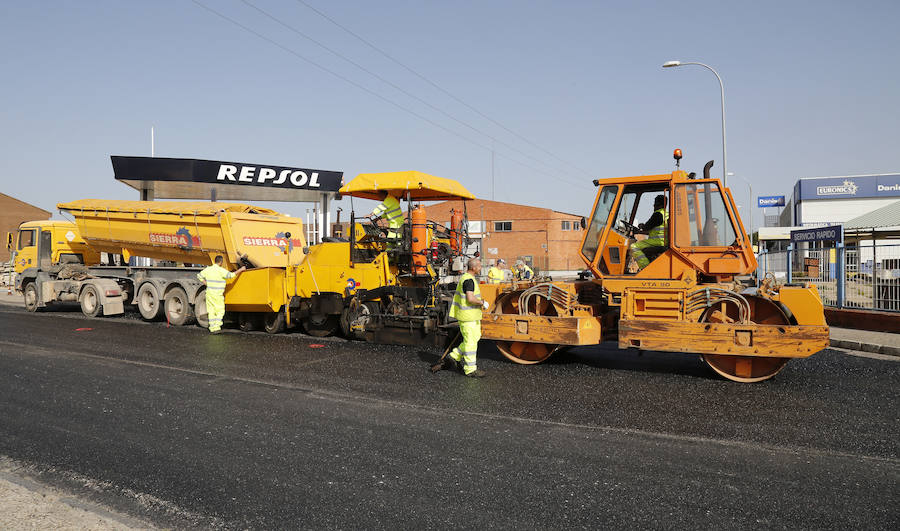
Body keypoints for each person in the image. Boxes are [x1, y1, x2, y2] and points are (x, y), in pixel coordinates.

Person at [446, 258, 489, 378]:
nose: (480, 268)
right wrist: (482, 302)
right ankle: (470, 369)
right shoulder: (468, 280)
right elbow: (470, 298)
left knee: (475, 337)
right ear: (473, 268)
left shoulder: (468, 278)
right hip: (468, 317)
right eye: (479, 266)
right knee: (471, 343)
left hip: (472, 316)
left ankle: (454, 356)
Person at [197, 255, 246, 333]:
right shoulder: (221, 270)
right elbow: (231, 275)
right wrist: (241, 269)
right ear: (221, 262)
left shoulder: (208, 269)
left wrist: (206, 283)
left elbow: (199, 276)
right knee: (220, 311)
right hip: (217, 295)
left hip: (209, 293)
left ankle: (212, 328)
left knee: (211, 311)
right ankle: (216, 327)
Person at [630, 194, 669, 271]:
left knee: (634, 246)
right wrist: (639, 232)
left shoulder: (657, 214)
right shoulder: (666, 214)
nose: (653, 206)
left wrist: (641, 225)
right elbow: (654, 230)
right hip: (664, 241)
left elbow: (646, 227)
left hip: (657, 242)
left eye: (655, 204)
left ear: (658, 204)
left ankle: (645, 268)